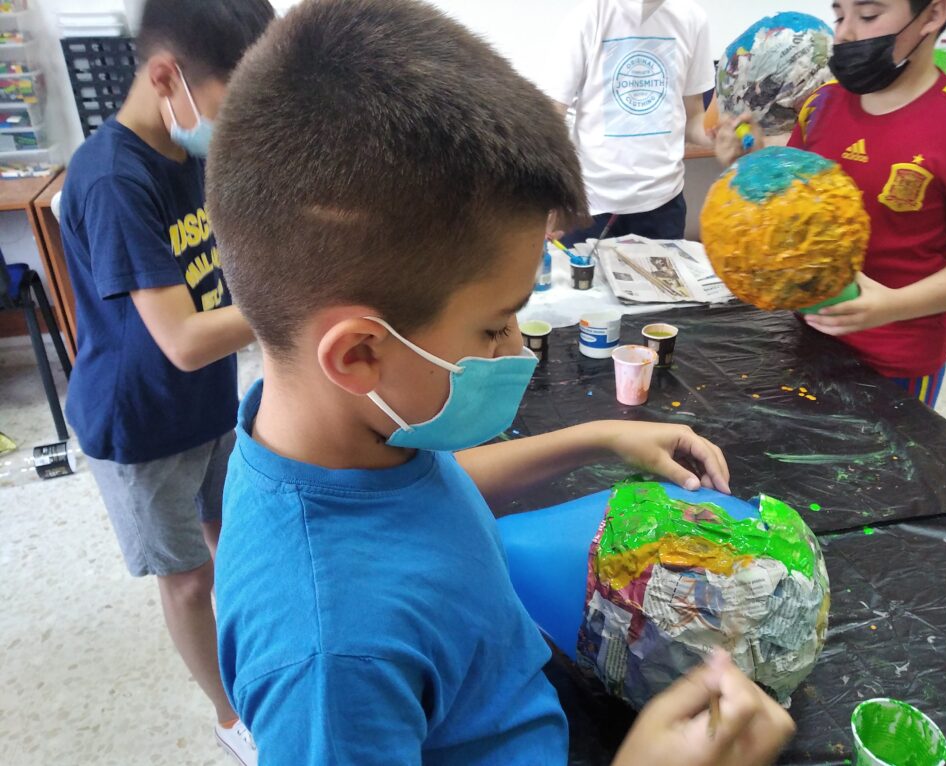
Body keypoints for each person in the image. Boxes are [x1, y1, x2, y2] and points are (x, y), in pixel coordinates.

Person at [206, 1, 795, 763]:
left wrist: (600, 437)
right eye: (495, 327)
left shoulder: (342, 433)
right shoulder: (332, 659)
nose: (518, 349)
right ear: (357, 355)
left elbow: (425, 496)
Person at [59, 0, 274, 761]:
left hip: (207, 401)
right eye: (230, 106)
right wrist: (298, 299)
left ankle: (253, 666)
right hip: (139, 424)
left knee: (233, 541)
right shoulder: (112, 179)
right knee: (186, 581)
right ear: (164, 78)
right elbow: (181, 340)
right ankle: (230, 717)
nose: (234, 126)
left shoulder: (191, 154)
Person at [716, 0, 946, 407]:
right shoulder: (822, 104)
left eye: (869, 15)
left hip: (897, 358)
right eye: (840, 15)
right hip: (808, 334)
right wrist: (749, 158)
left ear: (932, 15)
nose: (844, 33)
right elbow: (793, 200)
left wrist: (894, 305)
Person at [543, 0, 716, 246]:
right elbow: (552, 117)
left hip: (663, 204)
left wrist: (719, 137)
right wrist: (550, 195)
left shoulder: (692, 18)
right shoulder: (588, 17)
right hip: (591, 205)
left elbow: (695, 118)